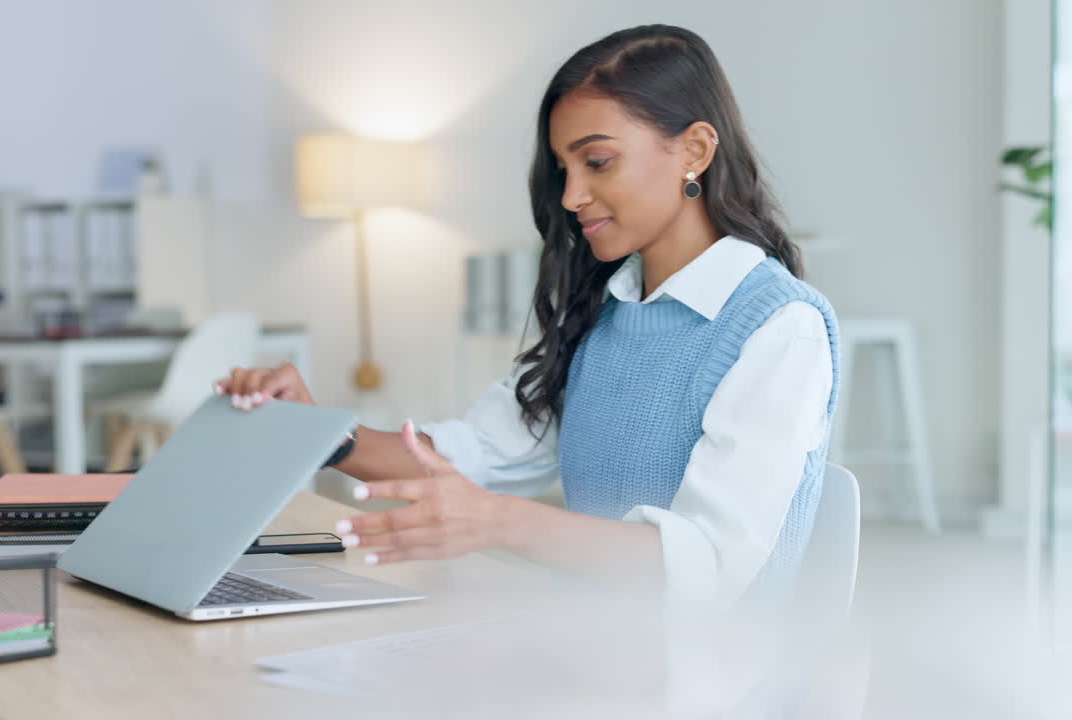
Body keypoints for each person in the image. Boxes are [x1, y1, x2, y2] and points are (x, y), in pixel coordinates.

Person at [217, 24, 839, 604]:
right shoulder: (604, 316)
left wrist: (500, 523)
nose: (570, 198)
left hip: (712, 684)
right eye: (564, 170)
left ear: (695, 150)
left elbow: (705, 565)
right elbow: (476, 452)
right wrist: (319, 430)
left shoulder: (780, 327)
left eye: (597, 162)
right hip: (589, 651)